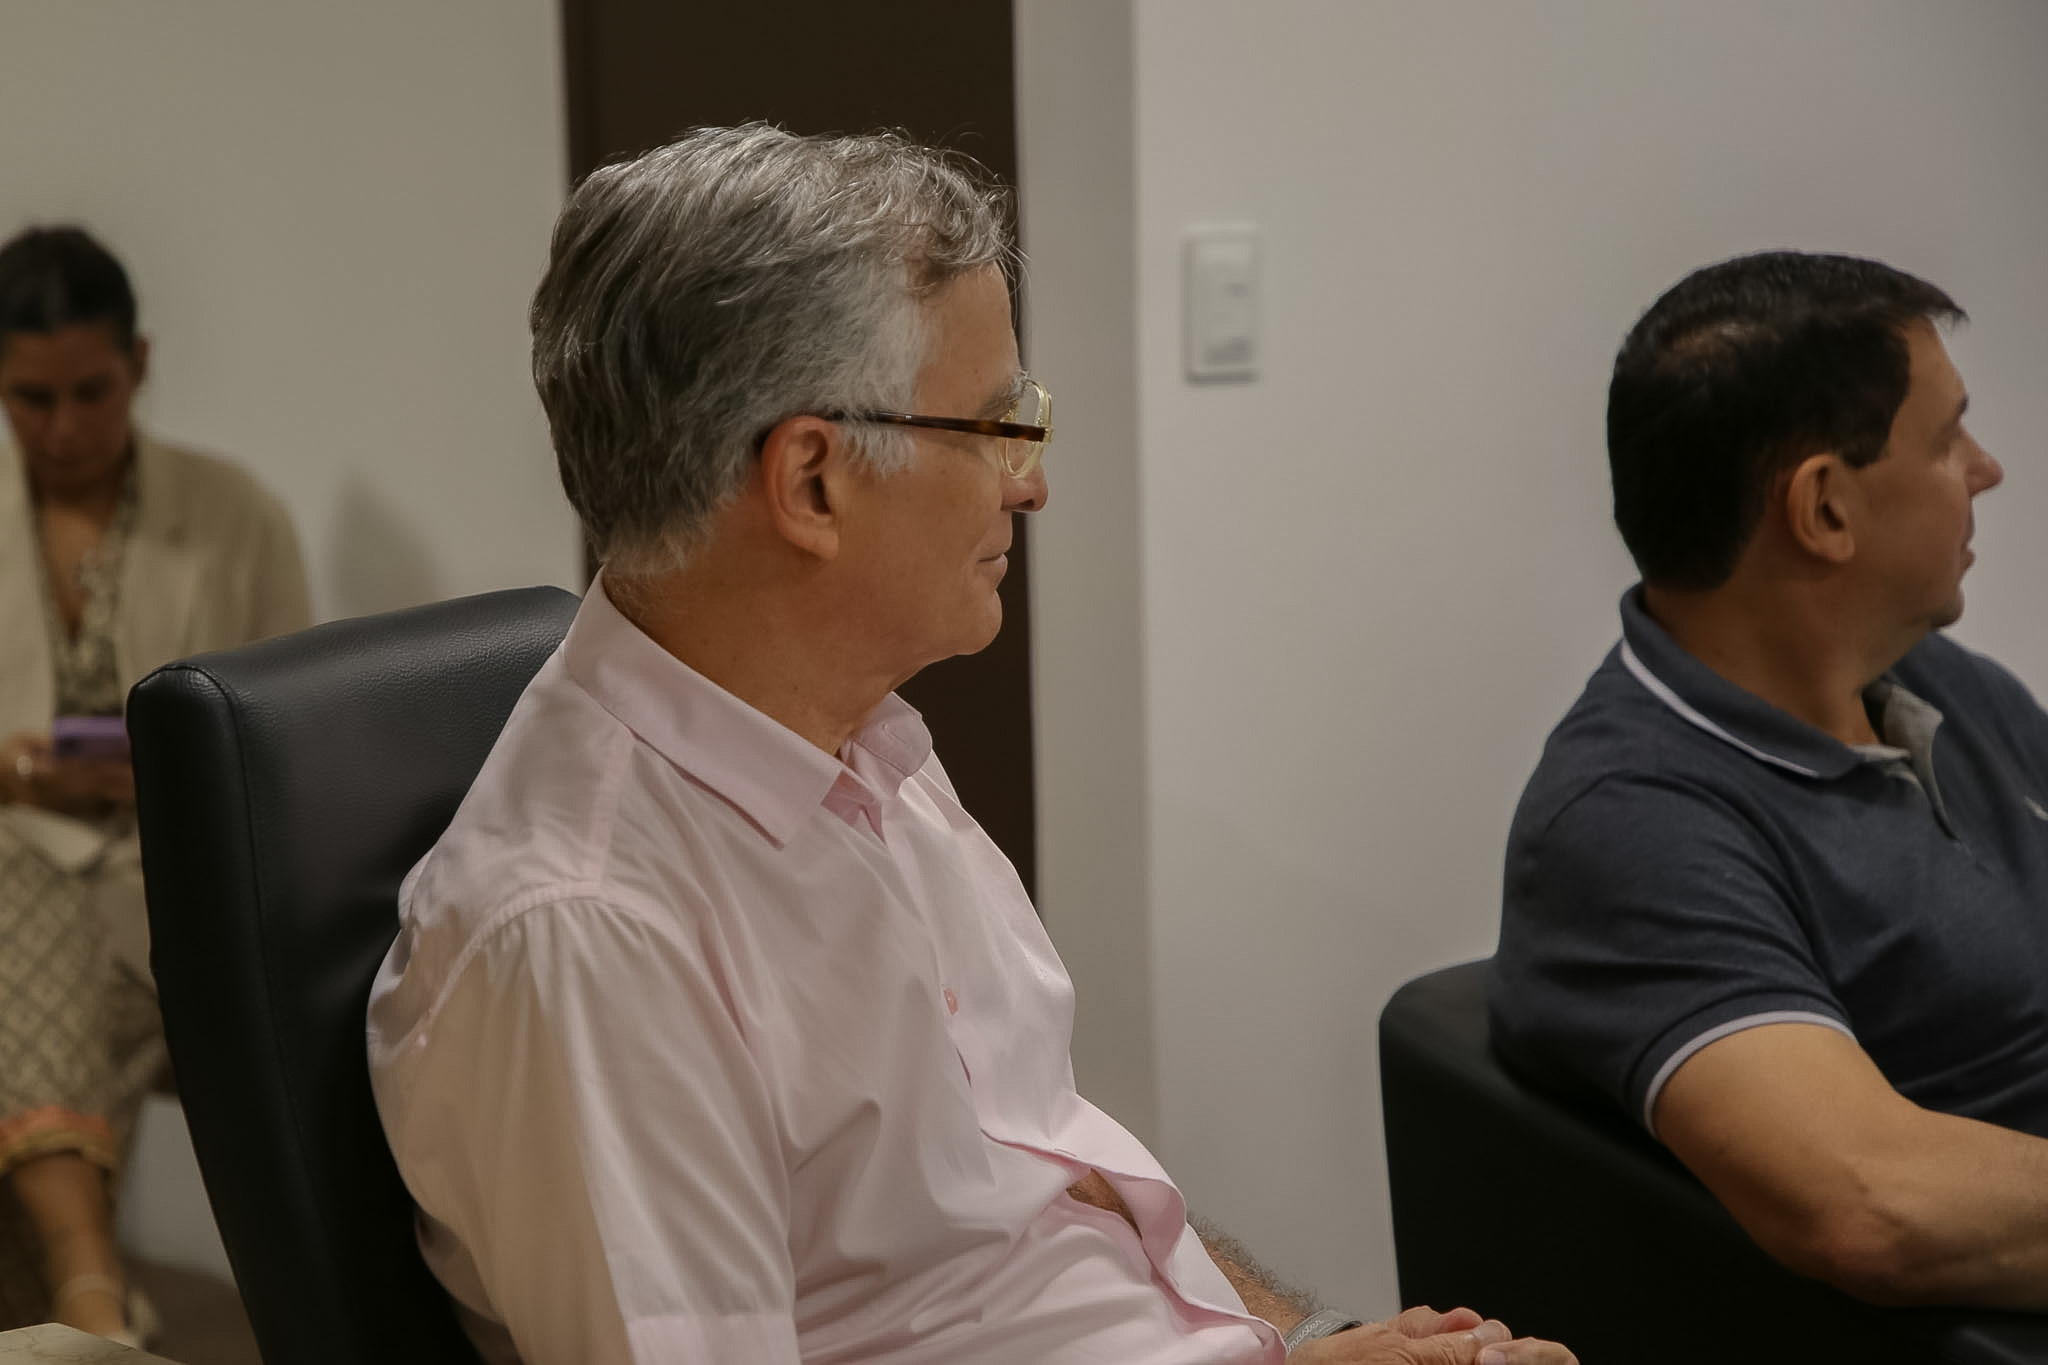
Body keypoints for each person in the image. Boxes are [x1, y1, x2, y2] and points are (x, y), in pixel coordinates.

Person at [368, 125, 1573, 1365]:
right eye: (997, 427)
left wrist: (1311, 1341)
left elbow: (1043, 1179)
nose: (1030, 484)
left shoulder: (856, 740)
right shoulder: (589, 939)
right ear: (812, 482)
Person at [1489, 249, 2048, 1309]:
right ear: (1824, 509)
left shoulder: (1940, 683)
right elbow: (1872, 1201)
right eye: (1945, 439)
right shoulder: (1631, 824)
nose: (1985, 469)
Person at [0, 225, 310, 1341]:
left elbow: (292, 737)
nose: (64, 427)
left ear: (138, 364)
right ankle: (92, 1296)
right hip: (19, 872)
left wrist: (167, 772)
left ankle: (80, 1295)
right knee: (21, 883)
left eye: (90, 392)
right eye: (32, 399)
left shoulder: (234, 518)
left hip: (174, 887)